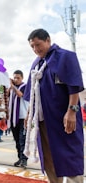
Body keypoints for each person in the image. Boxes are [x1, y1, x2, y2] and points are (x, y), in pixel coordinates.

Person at [23, 28, 84, 183]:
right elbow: (33, 93)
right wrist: (30, 113)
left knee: (69, 156)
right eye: (32, 47)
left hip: (63, 118)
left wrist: (72, 111)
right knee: (49, 158)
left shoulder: (65, 57)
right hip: (44, 121)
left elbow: (74, 86)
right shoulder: (36, 64)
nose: (36, 49)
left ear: (48, 40)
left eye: (38, 44)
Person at [7, 70, 28, 168]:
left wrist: (13, 86)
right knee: (16, 140)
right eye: (14, 77)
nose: (16, 79)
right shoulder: (11, 89)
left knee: (22, 140)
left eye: (18, 78)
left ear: (22, 78)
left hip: (23, 117)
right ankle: (20, 157)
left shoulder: (25, 86)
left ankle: (24, 159)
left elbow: (20, 94)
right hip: (13, 118)